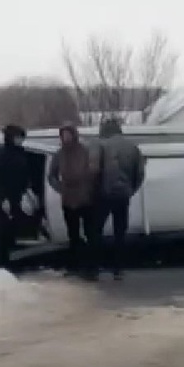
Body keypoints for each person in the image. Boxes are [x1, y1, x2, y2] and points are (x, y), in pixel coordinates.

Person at [93, 119, 145, 281]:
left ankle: (94, 267)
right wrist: (131, 190)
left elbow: (94, 170)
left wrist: (95, 191)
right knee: (120, 232)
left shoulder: (101, 145)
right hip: (123, 195)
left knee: (95, 231)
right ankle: (118, 268)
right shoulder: (133, 147)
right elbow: (140, 173)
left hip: (103, 195)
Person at [47, 122, 98, 280]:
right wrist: (60, 188)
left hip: (86, 198)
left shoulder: (85, 151)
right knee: (73, 234)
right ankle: (75, 266)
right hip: (68, 199)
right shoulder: (59, 154)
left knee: (91, 234)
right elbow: (52, 175)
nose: (66, 138)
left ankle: (92, 267)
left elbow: (94, 171)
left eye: (68, 134)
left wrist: (90, 187)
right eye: (63, 135)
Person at [0, 124, 30, 269]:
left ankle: (7, 261)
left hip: (14, 197)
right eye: (18, 137)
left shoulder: (20, 153)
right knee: (0, 233)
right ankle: (1, 264)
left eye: (21, 138)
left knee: (10, 232)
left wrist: (25, 191)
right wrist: (2, 198)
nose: (20, 141)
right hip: (0, 199)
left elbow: (22, 176)